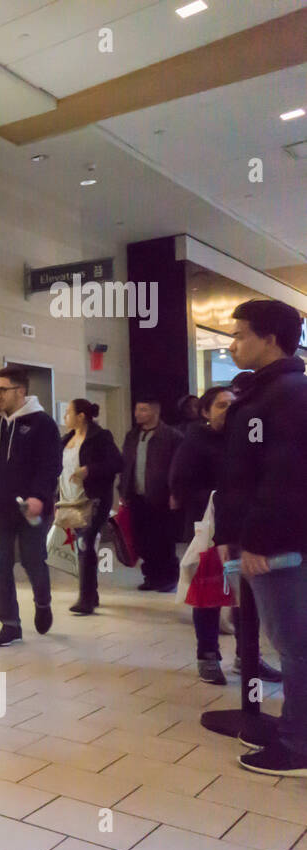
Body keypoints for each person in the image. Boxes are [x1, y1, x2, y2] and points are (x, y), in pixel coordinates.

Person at [214, 299, 307, 776]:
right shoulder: (270, 391)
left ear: (270, 338)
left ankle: (298, 744)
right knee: (292, 641)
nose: (232, 345)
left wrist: (257, 542)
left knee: (294, 644)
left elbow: (283, 478)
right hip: (266, 539)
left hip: (277, 544)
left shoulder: (287, 393)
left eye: (241, 335)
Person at [0, 365, 62, 647]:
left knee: (32, 560)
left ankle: (43, 602)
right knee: (0, 566)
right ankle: (10, 624)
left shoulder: (42, 424)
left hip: (30, 507)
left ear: (20, 391)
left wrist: (40, 497)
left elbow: (50, 465)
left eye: (2, 390)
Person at [170, 386, 236, 684]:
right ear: (206, 413)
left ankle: (249, 657)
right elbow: (181, 484)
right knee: (209, 594)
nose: (229, 410)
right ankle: (207, 655)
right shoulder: (195, 441)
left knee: (247, 595)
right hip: (208, 529)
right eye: (221, 405)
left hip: (242, 528)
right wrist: (217, 498)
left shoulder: (245, 438)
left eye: (233, 404)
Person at [60, 399, 122, 615]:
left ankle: (85, 597)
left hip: (94, 499)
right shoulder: (67, 439)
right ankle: (91, 593)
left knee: (85, 543)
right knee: (82, 545)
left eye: (68, 412)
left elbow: (117, 462)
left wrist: (89, 470)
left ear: (81, 416)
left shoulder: (100, 437)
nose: (65, 417)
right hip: (71, 499)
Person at [120, 397, 183, 592]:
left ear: (155, 412)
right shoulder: (132, 436)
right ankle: (151, 576)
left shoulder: (172, 437)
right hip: (137, 496)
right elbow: (126, 465)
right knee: (142, 540)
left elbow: (179, 467)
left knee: (163, 540)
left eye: (143, 410)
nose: (137, 413)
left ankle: (169, 578)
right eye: (137, 409)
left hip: (161, 496)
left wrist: (176, 492)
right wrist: (123, 490)